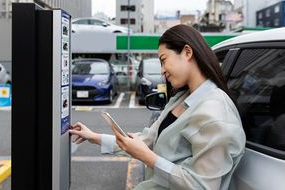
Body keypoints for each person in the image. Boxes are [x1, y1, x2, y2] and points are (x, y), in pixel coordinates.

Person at [70, 24, 246, 190]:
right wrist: (93, 137)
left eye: (163, 60)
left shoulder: (215, 113)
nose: (161, 70)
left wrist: (146, 156)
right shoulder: (182, 98)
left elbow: (201, 185)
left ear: (187, 52)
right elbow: (148, 139)